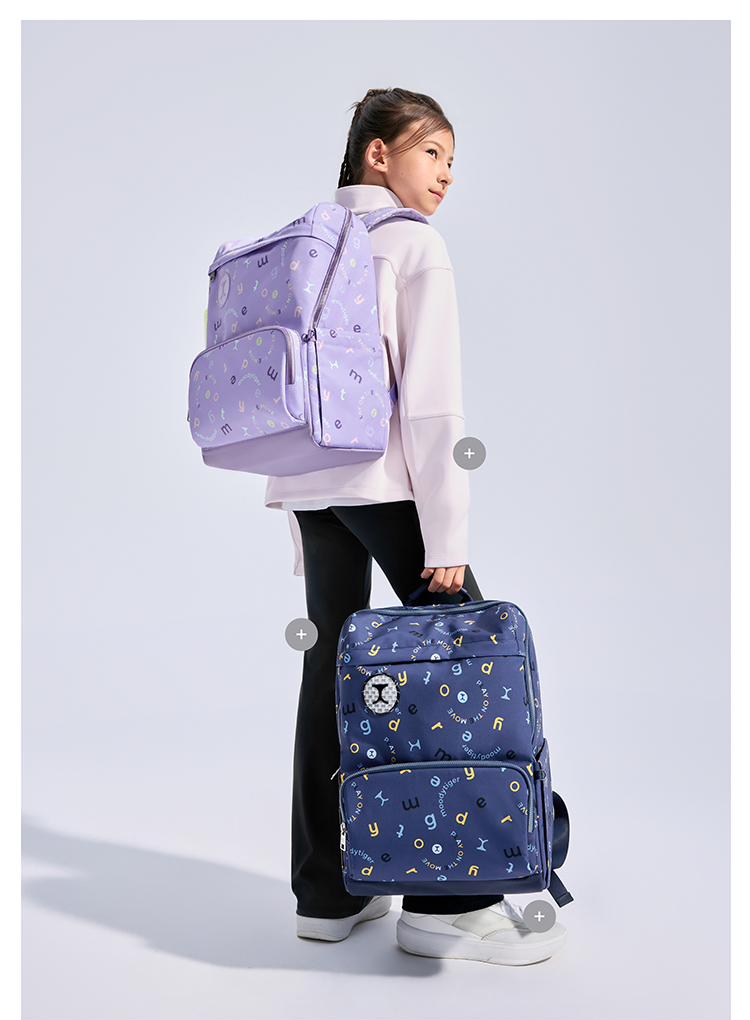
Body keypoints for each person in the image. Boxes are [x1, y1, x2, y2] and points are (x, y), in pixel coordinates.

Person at [264, 88, 566, 965]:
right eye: (432, 152)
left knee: (329, 668)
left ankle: (327, 893)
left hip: (309, 483)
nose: (446, 175)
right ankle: (449, 903)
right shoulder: (413, 246)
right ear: (378, 154)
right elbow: (431, 409)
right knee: (463, 658)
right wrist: (448, 538)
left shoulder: (311, 243)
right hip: (385, 484)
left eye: (452, 160)